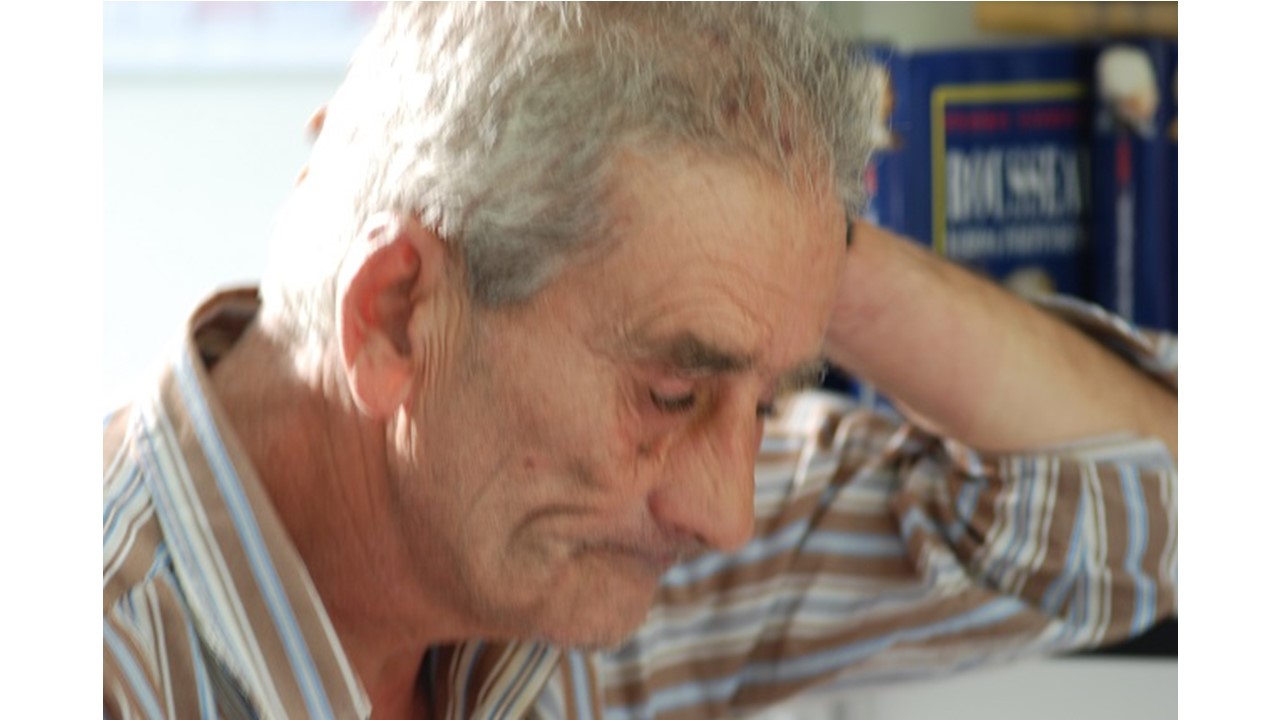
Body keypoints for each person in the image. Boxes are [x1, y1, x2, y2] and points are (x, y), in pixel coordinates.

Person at [103, 4, 1177, 719]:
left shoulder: (564, 551)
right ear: (392, 317)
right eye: (671, 391)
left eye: (760, 404)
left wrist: (784, 235)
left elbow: (1155, 512)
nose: (724, 514)